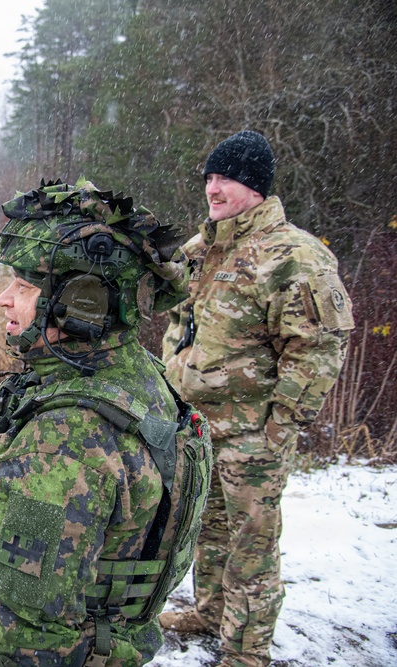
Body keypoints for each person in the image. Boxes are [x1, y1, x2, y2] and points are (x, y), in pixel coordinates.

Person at [0, 178, 213, 667]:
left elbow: (32, 642)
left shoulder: (64, 441)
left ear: (81, 304)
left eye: (24, 286)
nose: (4, 298)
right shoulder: (136, 374)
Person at [160, 130, 354, 667]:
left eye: (226, 178)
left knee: (252, 544)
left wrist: (281, 422)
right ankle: (210, 612)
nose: (213, 188)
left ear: (256, 187)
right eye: (209, 177)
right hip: (199, 425)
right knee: (208, 527)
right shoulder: (201, 249)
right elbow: (175, 316)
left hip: (254, 432)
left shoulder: (294, 255)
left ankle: (246, 651)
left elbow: (318, 346)